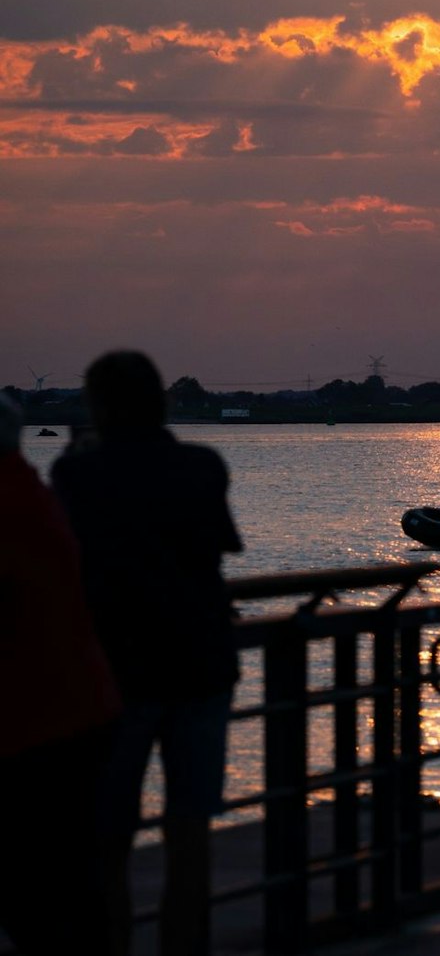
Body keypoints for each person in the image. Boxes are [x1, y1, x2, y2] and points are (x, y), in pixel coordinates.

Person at [51, 351, 244, 954]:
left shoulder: (76, 475)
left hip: (119, 672)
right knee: (190, 832)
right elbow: (221, 546)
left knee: (107, 837)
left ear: (99, 407)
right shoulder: (201, 465)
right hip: (202, 664)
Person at [0, 395, 120, 956]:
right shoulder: (37, 495)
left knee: (35, 883)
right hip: (80, 710)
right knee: (73, 867)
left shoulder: (23, 501)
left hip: (31, 721)